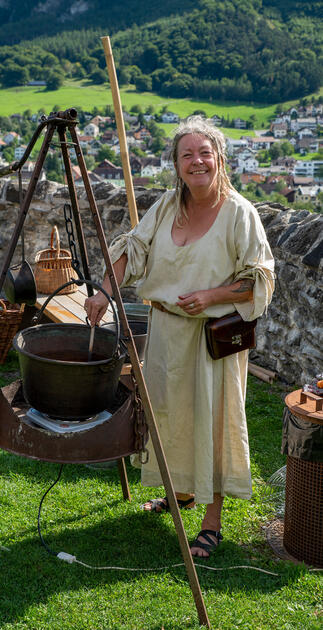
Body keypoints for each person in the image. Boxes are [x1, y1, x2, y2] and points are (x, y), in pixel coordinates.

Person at [85, 116, 274, 559]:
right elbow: (133, 250)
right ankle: (179, 492)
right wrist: (103, 292)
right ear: (176, 163)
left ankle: (211, 522)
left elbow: (259, 278)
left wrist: (212, 294)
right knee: (169, 414)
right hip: (168, 330)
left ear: (219, 158)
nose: (197, 162)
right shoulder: (168, 206)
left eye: (204, 153)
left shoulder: (239, 213)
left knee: (213, 418)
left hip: (213, 338)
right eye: (187, 154)